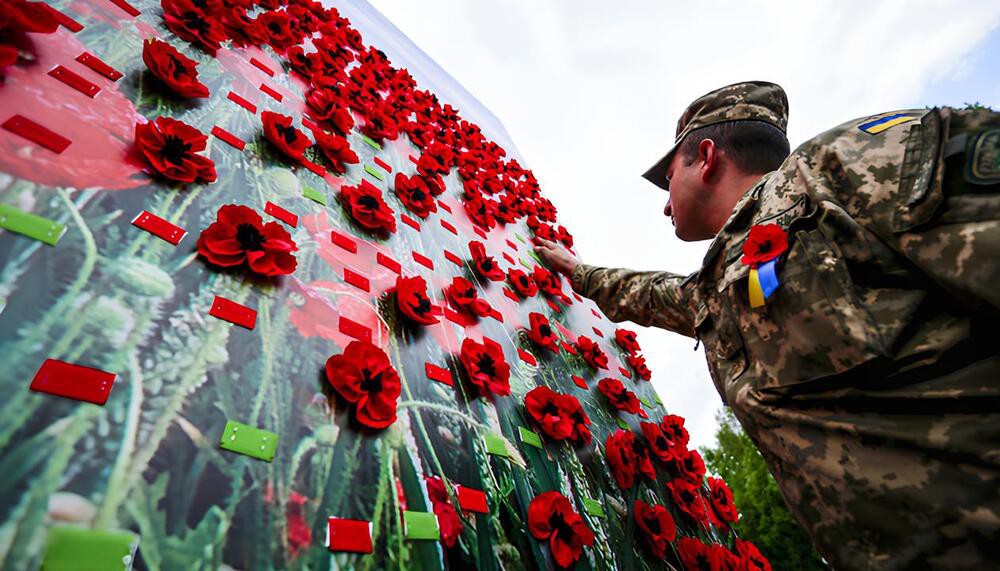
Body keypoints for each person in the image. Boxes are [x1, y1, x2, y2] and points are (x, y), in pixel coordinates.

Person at [534, 81, 1000, 570]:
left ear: (706, 157)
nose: (666, 205)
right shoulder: (720, 283)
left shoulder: (847, 164)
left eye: (669, 179)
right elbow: (653, 295)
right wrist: (578, 272)